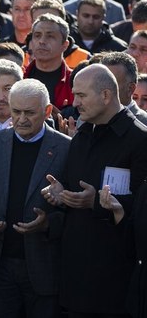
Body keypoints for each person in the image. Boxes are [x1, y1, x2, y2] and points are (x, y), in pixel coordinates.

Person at [42, 64, 147, 317]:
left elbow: (141, 211)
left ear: (106, 96)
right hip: (75, 274)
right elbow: (72, 184)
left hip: (115, 278)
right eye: (74, 94)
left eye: (81, 95)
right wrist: (60, 193)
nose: (75, 102)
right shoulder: (82, 135)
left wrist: (96, 203)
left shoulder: (140, 140)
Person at [0, 78, 69, 318]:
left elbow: (75, 209)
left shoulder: (67, 148)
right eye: (16, 111)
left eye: (29, 112)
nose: (21, 119)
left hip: (43, 267)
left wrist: (49, 224)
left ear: (47, 111)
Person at [25, 14, 74, 109]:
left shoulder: (75, 82)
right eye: (37, 35)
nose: (42, 41)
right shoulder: (20, 77)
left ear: (65, 45)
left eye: (50, 36)